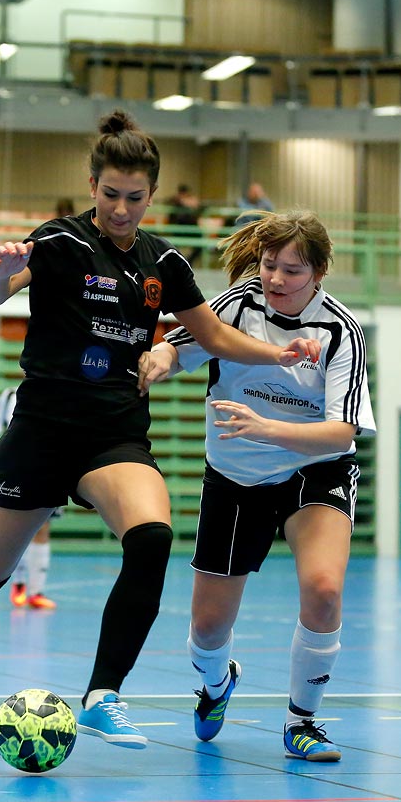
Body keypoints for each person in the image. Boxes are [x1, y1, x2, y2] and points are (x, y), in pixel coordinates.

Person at [0, 110, 321, 748]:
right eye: (110, 195)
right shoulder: (58, 242)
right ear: (92, 184)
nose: (122, 209)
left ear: (152, 195)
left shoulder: (166, 264)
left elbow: (211, 335)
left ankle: (103, 694)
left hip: (115, 432)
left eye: (135, 198)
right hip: (43, 429)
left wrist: (280, 353)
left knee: (153, 537)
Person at [141, 211, 374, 763]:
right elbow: (181, 346)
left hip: (312, 469)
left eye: (292, 270)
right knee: (207, 627)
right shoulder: (236, 306)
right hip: (235, 476)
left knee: (323, 588)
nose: (275, 279)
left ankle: (303, 721)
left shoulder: (341, 331)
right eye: (270, 265)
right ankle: (217, 682)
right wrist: (158, 359)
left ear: (319, 273)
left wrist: (269, 430)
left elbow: (342, 431)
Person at [0, 386, 55, 611]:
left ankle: (37, 591)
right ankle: (19, 584)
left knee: (43, 527)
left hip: (47, 468)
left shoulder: (56, 392)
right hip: (15, 469)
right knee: (16, 528)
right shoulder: (9, 395)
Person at [166, 184, 204, 264]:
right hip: (179, 229)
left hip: (192, 229)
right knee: (171, 247)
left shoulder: (192, 200)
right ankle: (175, 263)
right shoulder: (175, 200)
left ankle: (188, 262)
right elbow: (169, 202)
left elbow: (200, 208)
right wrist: (181, 201)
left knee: (201, 245)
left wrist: (191, 203)